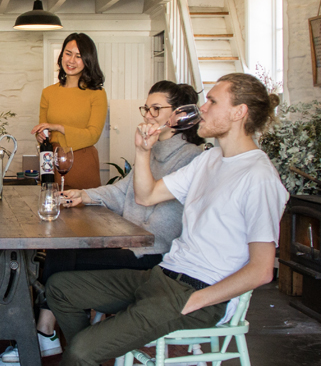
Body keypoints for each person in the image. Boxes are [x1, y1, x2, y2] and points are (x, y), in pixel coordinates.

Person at [46, 73, 289, 366]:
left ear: (239, 112)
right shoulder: (208, 160)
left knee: (82, 350)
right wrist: (142, 151)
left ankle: (86, 353)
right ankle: (91, 353)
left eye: (212, 101)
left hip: (198, 294)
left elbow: (262, 270)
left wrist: (197, 301)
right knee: (60, 287)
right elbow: (146, 195)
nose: (203, 108)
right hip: (163, 275)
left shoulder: (258, 177)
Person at [0, 81, 205, 364]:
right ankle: (64, 339)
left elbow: (155, 214)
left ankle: (51, 336)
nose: (148, 115)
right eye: (146, 108)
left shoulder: (191, 158)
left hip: (150, 252)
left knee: (61, 256)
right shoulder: (153, 152)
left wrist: (122, 224)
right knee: (58, 254)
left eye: (156, 109)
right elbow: (121, 190)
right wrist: (84, 195)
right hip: (128, 244)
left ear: (179, 115)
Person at [33, 33, 107, 190]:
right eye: (68, 53)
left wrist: (59, 127)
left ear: (88, 60)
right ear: (61, 56)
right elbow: (44, 131)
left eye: (78, 56)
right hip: (50, 163)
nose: (71, 60)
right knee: (50, 208)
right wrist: (41, 135)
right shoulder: (48, 92)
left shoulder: (97, 93)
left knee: (83, 213)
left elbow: (93, 135)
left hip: (82, 163)